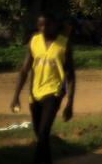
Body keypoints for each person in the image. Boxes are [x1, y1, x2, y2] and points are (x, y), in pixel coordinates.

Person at [11, 14, 75, 164]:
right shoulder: (34, 42)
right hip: (34, 94)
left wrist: (70, 103)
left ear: (53, 25)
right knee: (41, 136)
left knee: (44, 131)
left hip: (54, 93)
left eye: (47, 25)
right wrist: (16, 96)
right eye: (40, 25)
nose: (44, 28)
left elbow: (71, 76)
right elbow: (24, 71)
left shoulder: (64, 44)